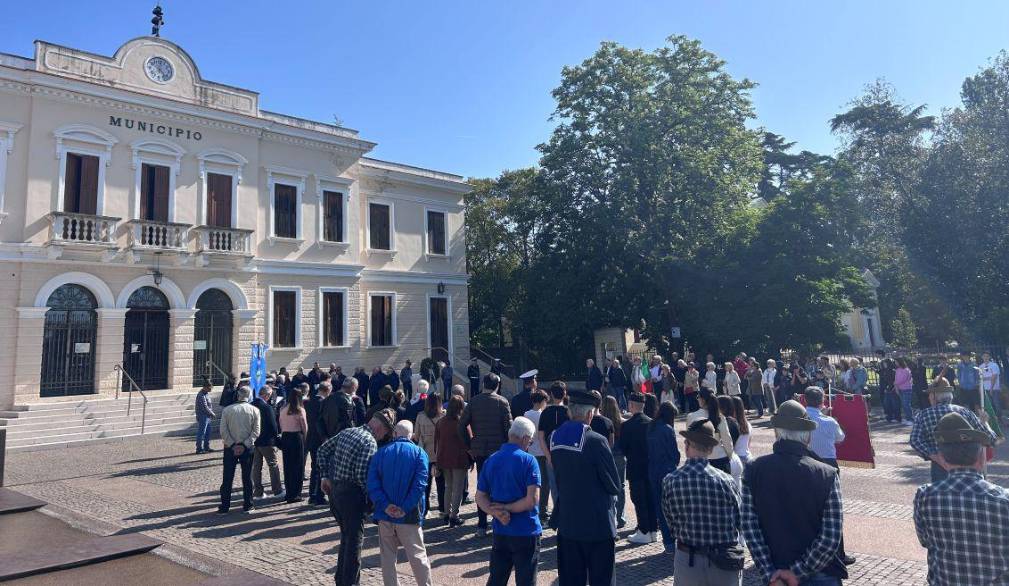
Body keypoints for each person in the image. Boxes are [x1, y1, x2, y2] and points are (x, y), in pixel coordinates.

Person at [742, 400, 847, 586]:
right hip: (822, 573)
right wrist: (798, 572)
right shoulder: (827, 474)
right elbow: (831, 537)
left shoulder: (753, 469)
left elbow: (750, 528)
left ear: (776, 433)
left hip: (776, 571)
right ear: (807, 436)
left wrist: (769, 572)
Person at [913, 412, 1009, 586]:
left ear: (943, 458)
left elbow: (925, 541)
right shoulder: (1004, 499)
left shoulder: (925, 495)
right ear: (981, 458)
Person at [549, 391, 621, 586]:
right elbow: (613, 484)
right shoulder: (597, 440)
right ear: (590, 414)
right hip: (597, 524)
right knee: (602, 580)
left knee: (571, 580)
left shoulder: (554, 437)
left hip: (568, 521)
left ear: (570, 412)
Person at [661, 419, 743, 586]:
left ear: (686, 446)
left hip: (688, 559)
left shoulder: (671, 481)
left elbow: (671, 523)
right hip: (723, 560)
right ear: (711, 449)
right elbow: (740, 521)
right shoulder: (727, 481)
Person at [319, 409, 393, 586]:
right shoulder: (369, 442)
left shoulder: (348, 431)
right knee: (354, 542)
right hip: (351, 496)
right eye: (385, 434)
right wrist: (374, 501)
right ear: (380, 429)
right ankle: (350, 582)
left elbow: (322, 450)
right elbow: (362, 477)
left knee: (346, 537)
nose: (382, 438)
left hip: (336, 492)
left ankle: (341, 579)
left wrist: (325, 476)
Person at [476, 417, 543, 586]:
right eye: (530, 442)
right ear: (525, 438)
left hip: (501, 530)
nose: (529, 445)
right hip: (526, 530)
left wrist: (496, 512)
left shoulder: (492, 459)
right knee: (526, 581)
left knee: (497, 579)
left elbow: (480, 496)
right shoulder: (529, 461)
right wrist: (507, 508)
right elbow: (532, 500)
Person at [368, 418, 432, 586]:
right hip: (408, 515)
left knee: (388, 558)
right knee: (418, 556)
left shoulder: (380, 453)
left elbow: (372, 484)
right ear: (412, 435)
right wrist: (404, 507)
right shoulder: (419, 454)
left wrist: (385, 505)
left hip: (385, 514)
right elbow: (420, 485)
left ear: (395, 433)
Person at [910, 377, 996, 483]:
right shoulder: (965, 412)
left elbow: (915, 440)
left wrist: (934, 455)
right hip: (970, 466)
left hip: (940, 466)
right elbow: (991, 438)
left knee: (941, 493)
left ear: (933, 396)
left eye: (929, 395)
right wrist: (985, 423)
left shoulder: (923, 415)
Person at [459, 373, 513, 537]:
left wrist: (469, 444)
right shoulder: (502, 402)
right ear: (497, 385)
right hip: (498, 451)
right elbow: (509, 428)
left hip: (480, 450)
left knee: (482, 486)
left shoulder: (474, 401)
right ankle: (499, 521)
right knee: (499, 485)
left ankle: (481, 524)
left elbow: (461, 425)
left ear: (483, 384)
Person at [620, 392, 657, 544]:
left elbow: (623, 448)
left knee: (639, 499)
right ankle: (653, 530)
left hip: (635, 467)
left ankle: (644, 530)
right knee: (651, 499)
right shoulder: (652, 423)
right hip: (650, 466)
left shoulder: (627, 425)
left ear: (631, 405)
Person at [218, 386, 261, 514]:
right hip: (247, 448)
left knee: (227, 477)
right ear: (249, 396)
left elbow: (223, 431)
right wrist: (244, 444)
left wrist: (232, 444)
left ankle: (225, 505)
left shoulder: (227, 410)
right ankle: (248, 504)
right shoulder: (254, 410)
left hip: (230, 447)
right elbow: (256, 431)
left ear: (238, 395)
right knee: (247, 477)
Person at [647, 401, 681, 552]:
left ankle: (667, 542)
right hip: (667, 470)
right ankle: (676, 539)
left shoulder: (651, 427)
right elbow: (674, 453)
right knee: (673, 508)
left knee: (660, 507)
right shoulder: (668, 429)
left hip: (653, 470)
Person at [536, 382, 569, 521]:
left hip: (551, 454)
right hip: (567, 454)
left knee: (554, 488)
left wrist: (548, 456)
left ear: (551, 394)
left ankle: (559, 515)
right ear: (565, 393)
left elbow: (541, 437)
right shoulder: (569, 411)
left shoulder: (545, 412)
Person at [435, 395, 470, 525]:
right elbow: (468, 441)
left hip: (444, 457)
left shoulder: (441, 422)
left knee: (448, 486)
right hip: (459, 459)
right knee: (458, 488)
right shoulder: (461, 423)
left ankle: (446, 513)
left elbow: (437, 441)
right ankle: (454, 515)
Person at [688, 389, 738, 479]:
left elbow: (689, 439)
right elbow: (727, 439)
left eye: (698, 397)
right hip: (719, 457)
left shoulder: (691, 416)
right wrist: (729, 455)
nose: (697, 399)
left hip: (700, 458)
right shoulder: (719, 416)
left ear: (702, 400)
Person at [414, 393, 445, 517]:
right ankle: (442, 508)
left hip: (425, 454)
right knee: (441, 483)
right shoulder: (443, 416)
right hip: (440, 454)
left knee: (426, 484)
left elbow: (416, 436)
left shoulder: (420, 416)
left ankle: (425, 509)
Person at [523, 389, 551, 522]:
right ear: (542, 401)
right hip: (543, 451)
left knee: (532, 481)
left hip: (531, 450)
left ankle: (533, 506)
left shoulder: (526, 414)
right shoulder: (543, 414)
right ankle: (543, 509)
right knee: (545, 482)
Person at [251, 386, 284, 500]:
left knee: (256, 467)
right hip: (267, 441)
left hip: (254, 441)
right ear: (267, 395)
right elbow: (273, 426)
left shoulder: (251, 405)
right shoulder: (267, 407)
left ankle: (258, 492)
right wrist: (277, 440)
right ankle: (277, 490)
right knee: (273, 465)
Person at [600, 395, 628, 528]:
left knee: (607, 485)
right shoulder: (622, 423)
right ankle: (620, 516)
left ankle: (610, 515)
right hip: (620, 456)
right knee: (621, 487)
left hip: (606, 456)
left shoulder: (601, 422)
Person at [279, 386, 308, 503]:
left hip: (285, 437)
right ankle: (296, 494)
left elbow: (280, 423)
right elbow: (304, 427)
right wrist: (306, 439)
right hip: (296, 437)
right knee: (298, 467)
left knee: (288, 467)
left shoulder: (283, 409)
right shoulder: (300, 410)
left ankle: (289, 492)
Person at [305, 380, 328, 505]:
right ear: (327, 391)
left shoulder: (309, 401)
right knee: (320, 468)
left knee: (314, 467)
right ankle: (318, 495)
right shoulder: (323, 403)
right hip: (320, 439)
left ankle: (312, 494)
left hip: (311, 437)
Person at [321, 378, 357, 442]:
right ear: (353, 388)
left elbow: (320, 420)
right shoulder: (347, 401)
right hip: (342, 438)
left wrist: (324, 436)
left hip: (329, 437)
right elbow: (348, 422)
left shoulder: (327, 399)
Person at [730, 396, 752, 463]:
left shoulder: (732, 425)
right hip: (748, 456)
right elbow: (748, 444)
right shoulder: (747, 424)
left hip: (736, 459)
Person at [195, 381, 216, 454]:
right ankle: (199, 449)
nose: (211, 389)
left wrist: (210, 414)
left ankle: (206, 447)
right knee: (202, 432)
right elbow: (204, 407)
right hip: (203, 416)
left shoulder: (206, 394)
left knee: (208, 432)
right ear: (205, 387)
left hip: (207, 416)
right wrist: (212, 413)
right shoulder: (201, 395)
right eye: (210, 387)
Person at [980, 351, 1002, 419]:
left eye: (987, 356)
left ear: (989, 357)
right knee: (989, 405)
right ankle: (991, 419)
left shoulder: (994, 365)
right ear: (982, 357)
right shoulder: (981, 366)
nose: (985, 357)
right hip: (985, 389)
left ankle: (999, 418)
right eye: (984, 356)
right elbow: (981, 378)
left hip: (994, 388)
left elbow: (994, 377)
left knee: (996, 404)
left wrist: (991, 388)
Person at [894, 358, 914, 425]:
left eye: (896, 362)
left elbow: (903, 379)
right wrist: (896, 387)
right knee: (904, 405)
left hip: (906, 389)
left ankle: (910, 419)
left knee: (906, 404)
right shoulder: (897, 370)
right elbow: (896, 378)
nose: (895, 363)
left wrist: (895, 384)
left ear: (900, 362)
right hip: (900, 389)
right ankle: (907, 418)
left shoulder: (906, 370)